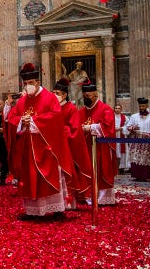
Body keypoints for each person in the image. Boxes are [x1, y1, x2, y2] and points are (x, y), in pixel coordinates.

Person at [7, 63, 68, 221]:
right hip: (28, 149)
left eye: (31, 83)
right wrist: (21, 120)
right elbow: (12, 118)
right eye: (25, 84)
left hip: (46, 147)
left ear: (38, 82)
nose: (28, 86)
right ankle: (33, 211)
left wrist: (33, 121)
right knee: (30, 178)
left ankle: (57, 209)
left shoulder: (50, 98)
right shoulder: (22, 101)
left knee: (47, 177)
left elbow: (56, 118)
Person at [75, 79, 117, 205]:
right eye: (84, 96)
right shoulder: (80, 111)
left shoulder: (106, 109)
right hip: (85, 148)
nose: (85, 98)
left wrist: (91, 127)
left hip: (100, 149)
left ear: (95, 95)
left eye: (88, 96)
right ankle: (86, 196)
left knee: (101, 171)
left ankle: (103, 199)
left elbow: (108, 127)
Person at [52, 78, 89, 210]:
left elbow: (75, 130)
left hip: (66, 147)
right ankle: (56, 202)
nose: (54, 95)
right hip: (53, 147)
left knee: (66, 175)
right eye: (53, 92)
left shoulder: (70, 109)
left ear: (64, 95)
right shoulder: (52, 108)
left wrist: (61, 131)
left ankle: (68, 202)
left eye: (57, 93)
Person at [122, 97, 150, 182]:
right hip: (136, 140)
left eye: (143, 106)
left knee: (146, 158)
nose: (141, 108)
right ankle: (137, 175)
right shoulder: (134, 116)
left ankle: (146, 176)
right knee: (136, 157)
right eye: (140, 106)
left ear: (146, 105)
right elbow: (128, 126)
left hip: (148, 141)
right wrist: (133, 128)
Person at [114, 104, 129, 173]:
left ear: (121, 109)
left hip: (122, 135)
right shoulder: (111, 117)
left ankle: (121, 168)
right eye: (116, 108)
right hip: (113, 136)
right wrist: (113, 129)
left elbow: (128, 126)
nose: (117, 109)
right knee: (115, 151)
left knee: (122, 152)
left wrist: (121, 128)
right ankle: (114, 168)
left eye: (119, 108)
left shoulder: (125, 117)